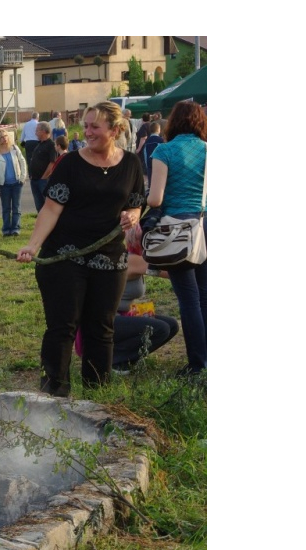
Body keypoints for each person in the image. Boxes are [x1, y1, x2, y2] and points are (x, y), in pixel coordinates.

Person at [17, 101, 145, 397]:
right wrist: (32, 245)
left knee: (101, 329)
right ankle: (54, 396)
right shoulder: (71, 163)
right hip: (65, 257)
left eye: (94, 127)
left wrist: (133, 216)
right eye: (85, 126)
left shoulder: (130, 164)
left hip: (110, 261)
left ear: (114, 130)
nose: (87, 132)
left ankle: (97, 396)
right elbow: (50, 209)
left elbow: (136, 203)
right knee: (62, 328)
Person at [147, 100, 207, 376]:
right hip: (208, 224)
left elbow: (156, 198)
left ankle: (198, 364)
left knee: (189, 300)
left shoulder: (165, 150)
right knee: (208, 297)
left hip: (179, 230)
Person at [106, 227, 180, 372]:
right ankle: (112, 359)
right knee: (160, 328)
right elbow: (172, 272)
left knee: (171, 325)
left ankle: (126, 358)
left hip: (121, 316)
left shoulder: (136, 258)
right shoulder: (133, 260)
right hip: (106, 320)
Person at [0, 129, 28, 236]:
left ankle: (16, 229)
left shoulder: (14, 148)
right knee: (6, 208)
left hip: (16, 183)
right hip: (4, 185)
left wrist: (23, 177)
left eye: (6, 136)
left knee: (16, 207)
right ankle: (6, 230)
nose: (4, 139)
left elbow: (22, 161)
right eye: (1, 137)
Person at [28, 121, 58, 213]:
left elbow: (53, 162)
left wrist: (44, 177)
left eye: (37, 130)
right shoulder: (39, 144)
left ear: (43, 131)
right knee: (39, 206)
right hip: (35, 179)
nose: (35, 132)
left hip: (43, 181)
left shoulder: (51, 145)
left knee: (47, 205)